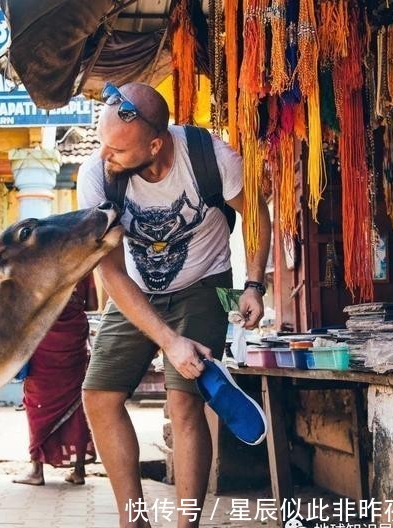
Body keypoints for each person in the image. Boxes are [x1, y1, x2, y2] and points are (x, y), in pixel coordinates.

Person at [77, 82, 271, 527]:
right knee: (99, 395)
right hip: (134, 288)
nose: (106, 157)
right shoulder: (97, 175)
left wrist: (254, 284)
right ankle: (134, 520)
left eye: (119, 150)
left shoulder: (211, 157)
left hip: (203, 282)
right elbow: (110, 272)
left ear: (155, 144)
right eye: (103, 146)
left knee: (184, 402)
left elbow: (257, 214)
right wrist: (168, 341)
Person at [13, 273, 98, 486]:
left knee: (37, 403)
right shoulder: (84, 264)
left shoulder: (40, 260)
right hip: (74, 337)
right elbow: (93, 304)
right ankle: (79, 471)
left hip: (44, 336)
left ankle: (36, 470)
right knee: (75, 401)